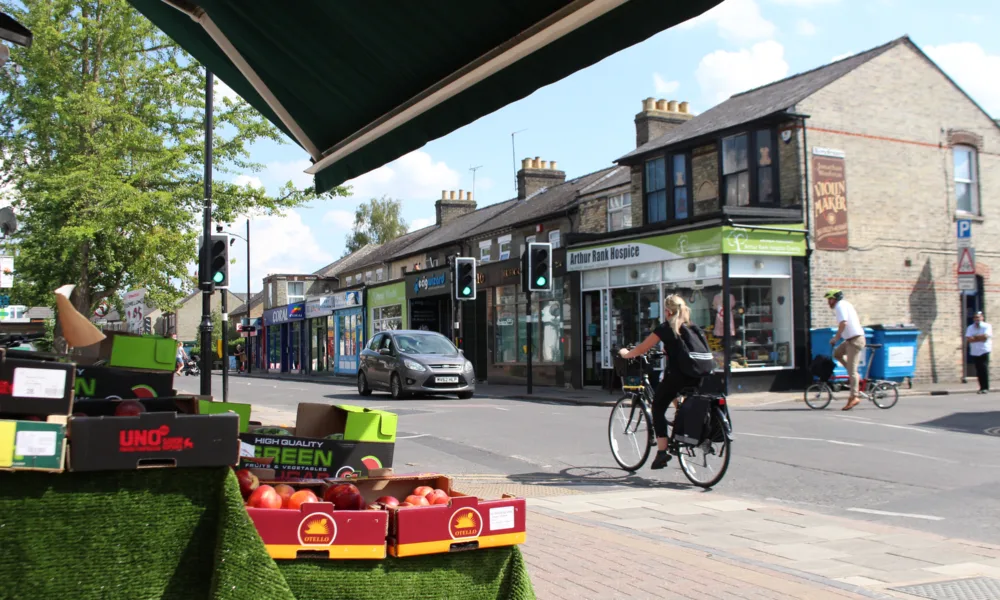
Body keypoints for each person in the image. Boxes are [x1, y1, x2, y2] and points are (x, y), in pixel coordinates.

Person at [618, 294, 705, 470]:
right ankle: (682, 421)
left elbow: (643, 348)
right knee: (672, 389)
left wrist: (626, 354)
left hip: (680, 376)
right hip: (700, 374)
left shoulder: (666, 328)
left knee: (658, 405)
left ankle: (662, 451)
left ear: (667, 311)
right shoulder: (693, 327)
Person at [826, 290, 865, 411]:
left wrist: (836, 338)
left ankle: (855, 396)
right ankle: (853, 374)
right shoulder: (844, 305)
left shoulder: (840, 306)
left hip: (855, 340)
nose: (829, 302)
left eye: (830, 299)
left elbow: (843, 323)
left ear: (835, 299)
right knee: (837, 354)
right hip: (849, 340)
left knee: (852, 372)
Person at [966, 311, 992, 394]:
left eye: (979, 317)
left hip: (984, 350)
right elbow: (969, 339)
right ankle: (981, 387)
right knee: (978, 370)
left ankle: (986, 387)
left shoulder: (987, 326)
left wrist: (975, 338)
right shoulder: (970, 327)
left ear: (982, 318)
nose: (977, 319)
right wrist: (979, 337)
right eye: (976, 317)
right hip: (975, 351)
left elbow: (985, 337)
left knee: (983, 369)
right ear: (973, 319)